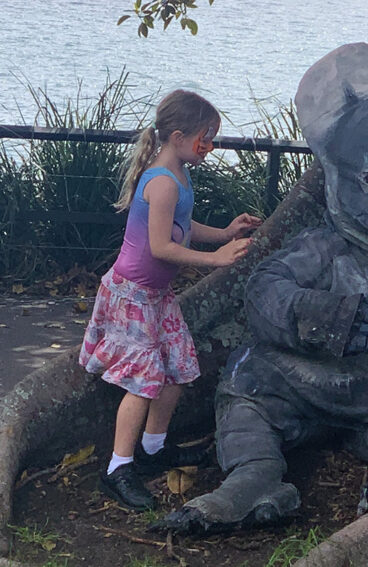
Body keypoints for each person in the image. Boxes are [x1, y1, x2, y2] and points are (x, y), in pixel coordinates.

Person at [79, 90, 262, 510]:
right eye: (205, 138)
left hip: (157, 297)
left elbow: (183, 225)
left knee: (179, 368)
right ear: (178, 136)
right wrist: (214, 260)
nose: (210, 147)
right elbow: (162, 247)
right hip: (133, 296)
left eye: (212, 138)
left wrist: (225, 233)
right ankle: (117, 468)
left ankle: (154, 449)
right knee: (142, 383)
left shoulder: (178, 174)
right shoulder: (160, 182)